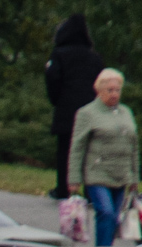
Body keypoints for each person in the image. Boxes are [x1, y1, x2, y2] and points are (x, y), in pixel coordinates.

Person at [68, 68, 138, 247]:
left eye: (117, 90)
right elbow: (77, 147)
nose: (114, 94)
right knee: (105, 213)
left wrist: (135, 177)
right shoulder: (87, 113)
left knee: (114, 218)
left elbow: (134, 146)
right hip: (97, 174)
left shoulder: (126, 112)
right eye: (110, 90)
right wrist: (73, 178)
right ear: (99, 91)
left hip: (121, 174)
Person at [44, 14, 105, 201]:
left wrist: (57, 101)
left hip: (67, 110)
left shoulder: (59, 55)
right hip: (92, 111)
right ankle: (90, 192)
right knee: (89, 152)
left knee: (65, 151)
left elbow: (52, 79)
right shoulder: (94, 58)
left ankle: (63, 189)